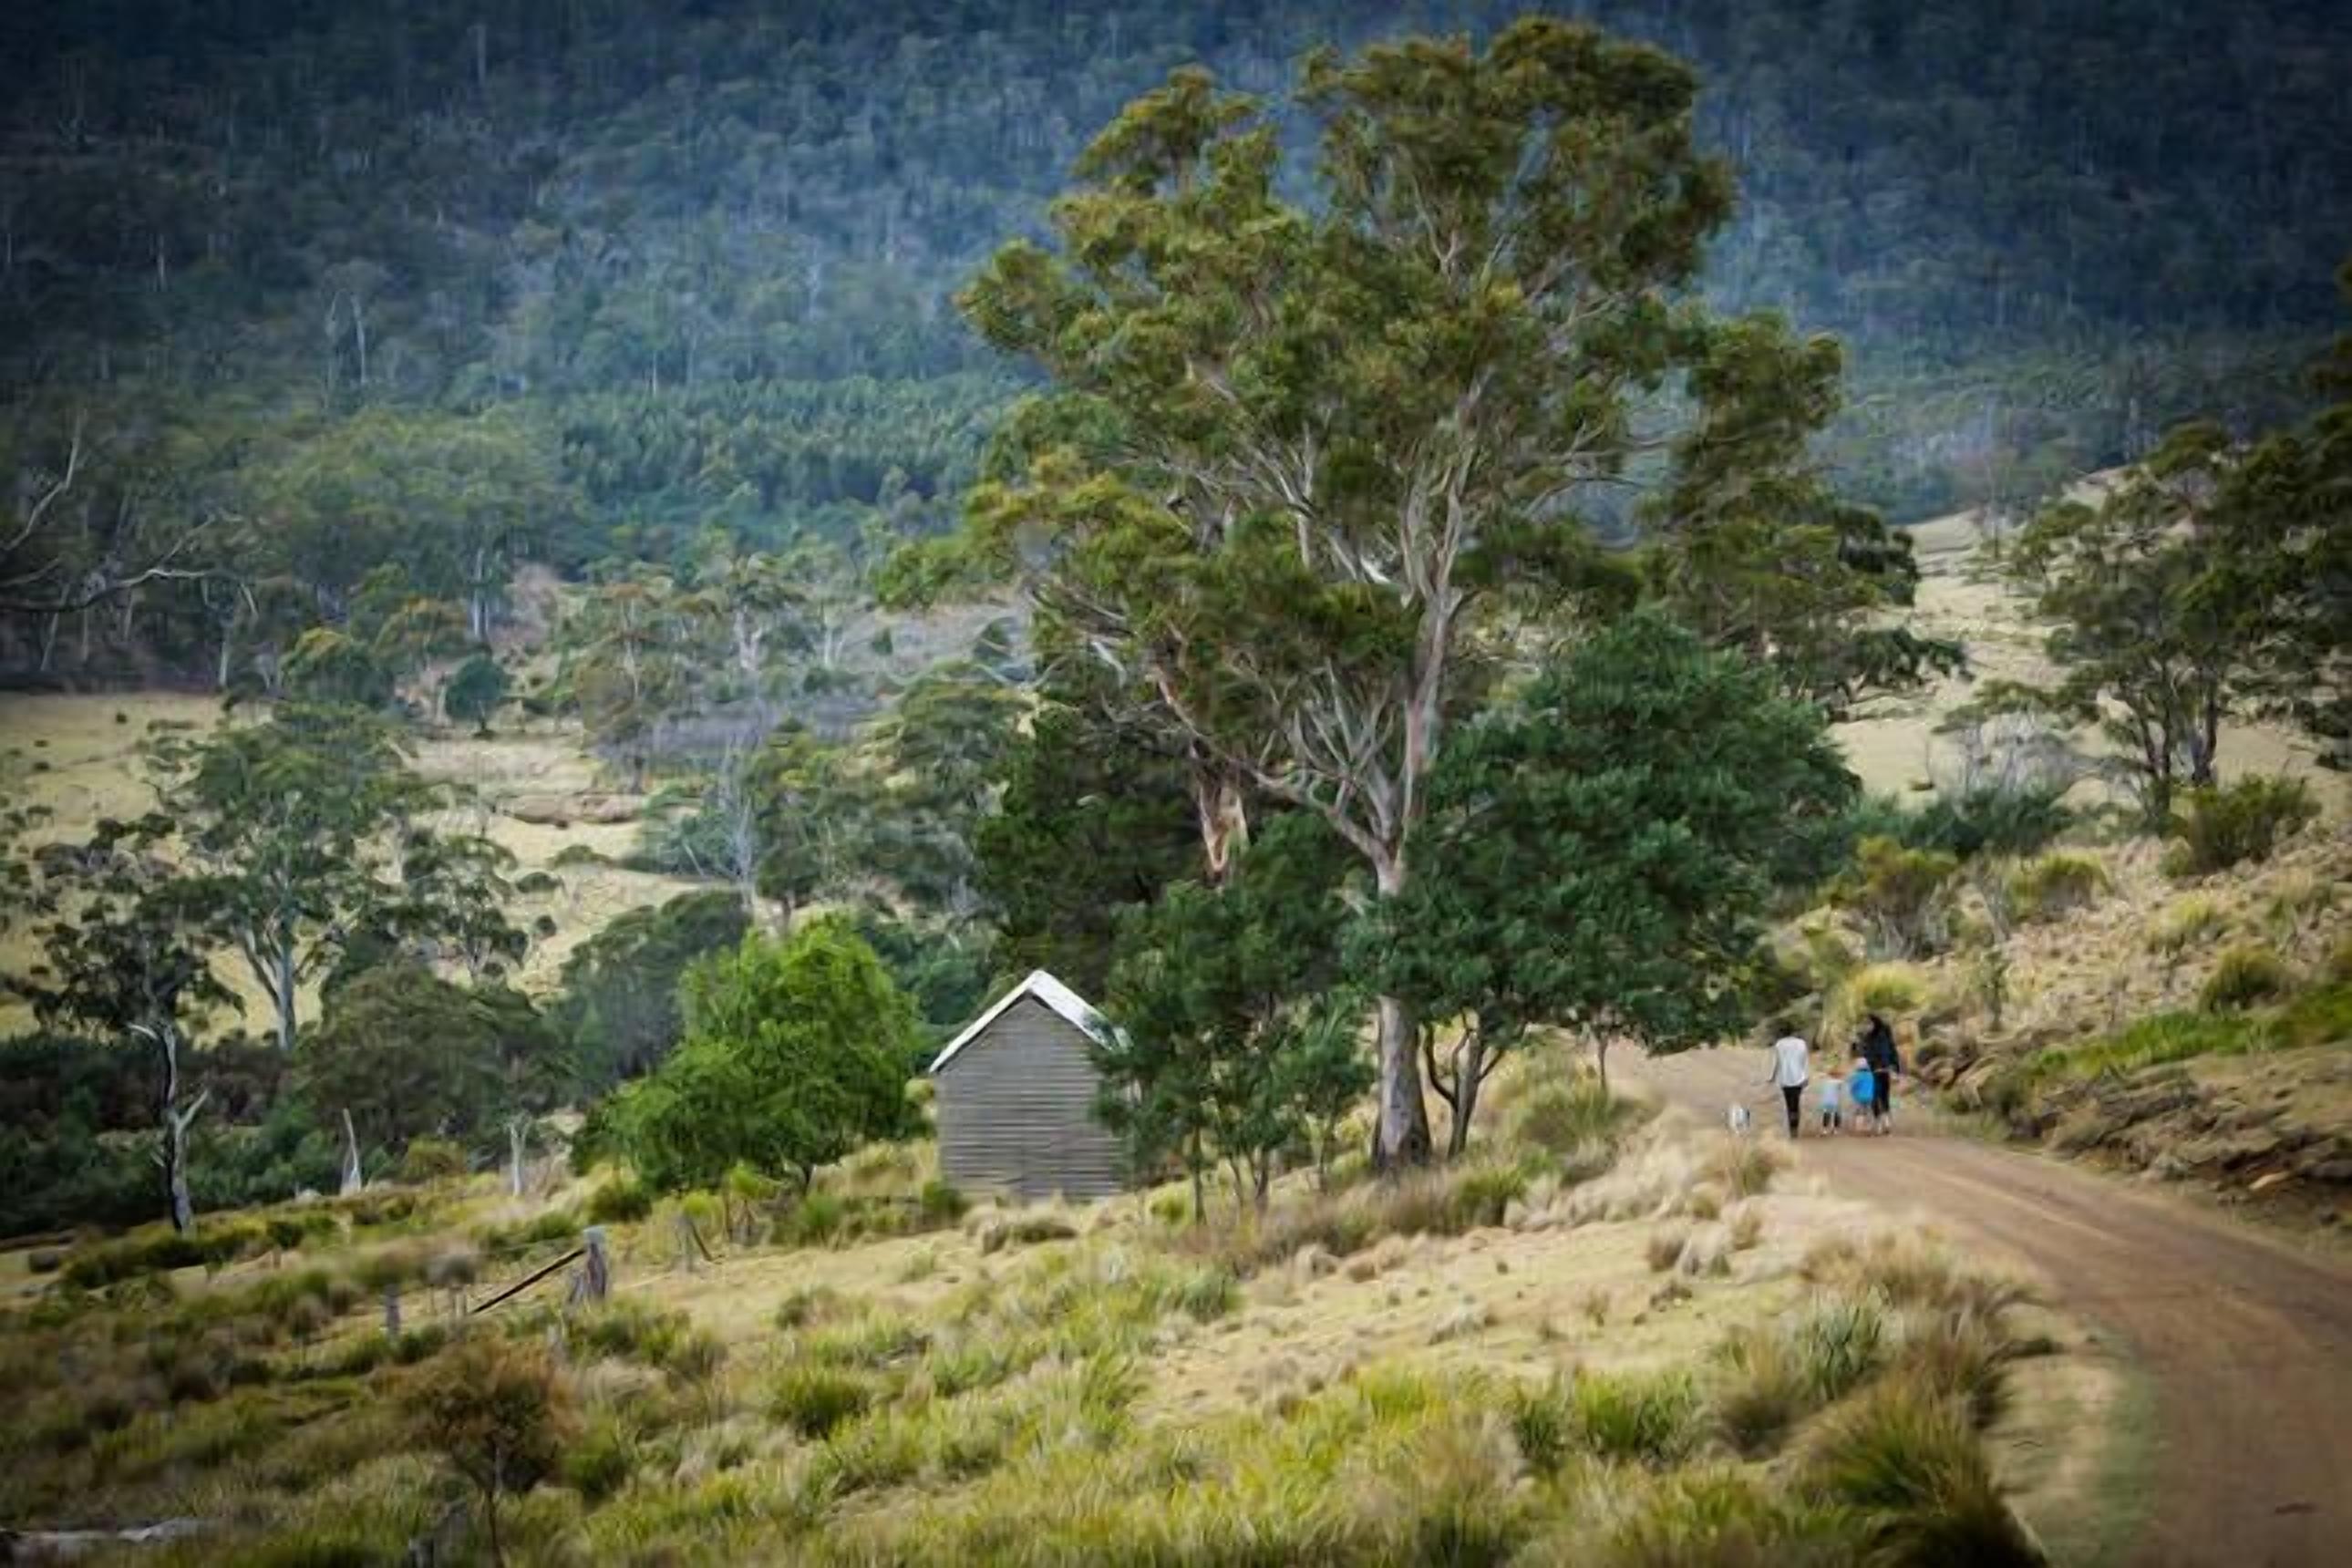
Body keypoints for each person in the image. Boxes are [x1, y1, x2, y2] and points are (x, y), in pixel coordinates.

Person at [1860, 1014, 1903, 1135]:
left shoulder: (1885, 1035)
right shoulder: (1867, 1039)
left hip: (1886, 1071)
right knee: (1874, 1097)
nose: (1867, 1026)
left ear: (1875, 1023)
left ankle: (1886, 1122)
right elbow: (1864, 1055)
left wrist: (1896, 1070)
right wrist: (1867, 1066)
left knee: (1884, 1096)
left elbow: (1893, 1052)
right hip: (1872, 1072)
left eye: (1869, 1023)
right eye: (1866, 1024)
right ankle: (1878, 1122)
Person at [1766, 1026, 1810, 1139]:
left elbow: (1777, 1062)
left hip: (1785, 1078)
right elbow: (1804, 1061)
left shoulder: (1779, 1044)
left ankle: (1792, 1127)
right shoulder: (1801, 1043)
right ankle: (1795, 1126)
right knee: (1796, 1102)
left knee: (1789, 1103)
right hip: (1799, 1077)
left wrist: (1773, 1077)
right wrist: (1806, 1076)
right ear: (1793, 1032)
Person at [1847, 1056, 1877, 1135]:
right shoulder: (1871, 1075)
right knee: (1868, 1112)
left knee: (1859, 1112)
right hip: (1870, 1097)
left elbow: (1854, 1085)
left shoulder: (1857, 1075)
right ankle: (1868, 1127)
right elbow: (1874, 1085)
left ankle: (1859, 1128)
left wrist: (1852, 1092)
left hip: (1859, 1097)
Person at [1816, 1068, 1844, 1136]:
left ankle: (1825, 1129)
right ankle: (1835, 1130)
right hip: (1835, 1101)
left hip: (1826, 1100)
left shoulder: (1826, 1081)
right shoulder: (1838, 1082)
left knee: (1826, 1114)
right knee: (1836, 1114)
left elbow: (1821, 1077)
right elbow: (1841, 1087)